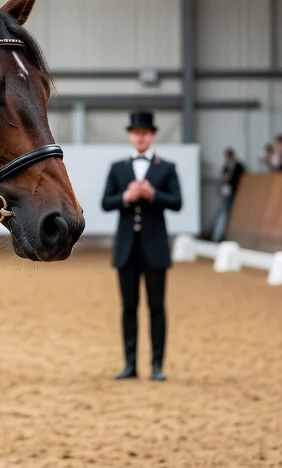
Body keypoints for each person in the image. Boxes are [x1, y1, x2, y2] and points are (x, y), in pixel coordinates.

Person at [102, 111, 182, 383]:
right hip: (126, 248)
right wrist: (126, 197)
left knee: (157, 307)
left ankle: (157, 364)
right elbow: (106, 201)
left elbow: (177, 201)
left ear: (153, 135)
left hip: (155, 247)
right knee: (128, 307)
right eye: (136, 133)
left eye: (145, 133)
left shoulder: (166, 167)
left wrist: (152, 194)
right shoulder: (118, 167)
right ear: (130, 135)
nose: (140, 137)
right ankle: (130, 364)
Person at [211, 148, 245, 241]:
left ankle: (222, 234)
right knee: (222, 212)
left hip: (235, 192)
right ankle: (217, 235)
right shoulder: (225, 167)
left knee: (228, 213)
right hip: (225, 193)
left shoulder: (238, 167)